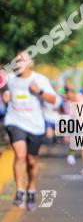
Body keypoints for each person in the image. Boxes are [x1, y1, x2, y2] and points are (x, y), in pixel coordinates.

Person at [2, 52, 59, 211]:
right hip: (14, 122)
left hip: (35, 125)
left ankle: (31, 190)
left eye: (22, 60)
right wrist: (5, 98)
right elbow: (5, 95)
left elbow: (54, 100)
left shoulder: (39, 80)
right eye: (17, 60)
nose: (18, 62)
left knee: (32, 161)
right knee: (20, 155)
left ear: (30, 63)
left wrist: (39, 91)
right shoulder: (11, 79)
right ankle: (20, 190)